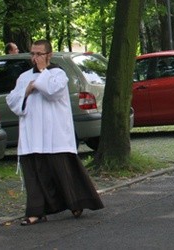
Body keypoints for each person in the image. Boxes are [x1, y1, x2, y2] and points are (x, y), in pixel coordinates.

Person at [6, 39, 103, 226]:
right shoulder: (24, 77)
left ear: (48, 55)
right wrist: (26, 91)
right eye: (32, 54)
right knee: (34, 174)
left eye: (39, 54)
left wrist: (41, 76)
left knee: (62, 171)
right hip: (32, 133)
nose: (35, 58)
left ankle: (75, 202)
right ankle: (36, 211)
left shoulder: (59, 74)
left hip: (54, 132)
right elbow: (13, 101)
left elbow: (52, 92)